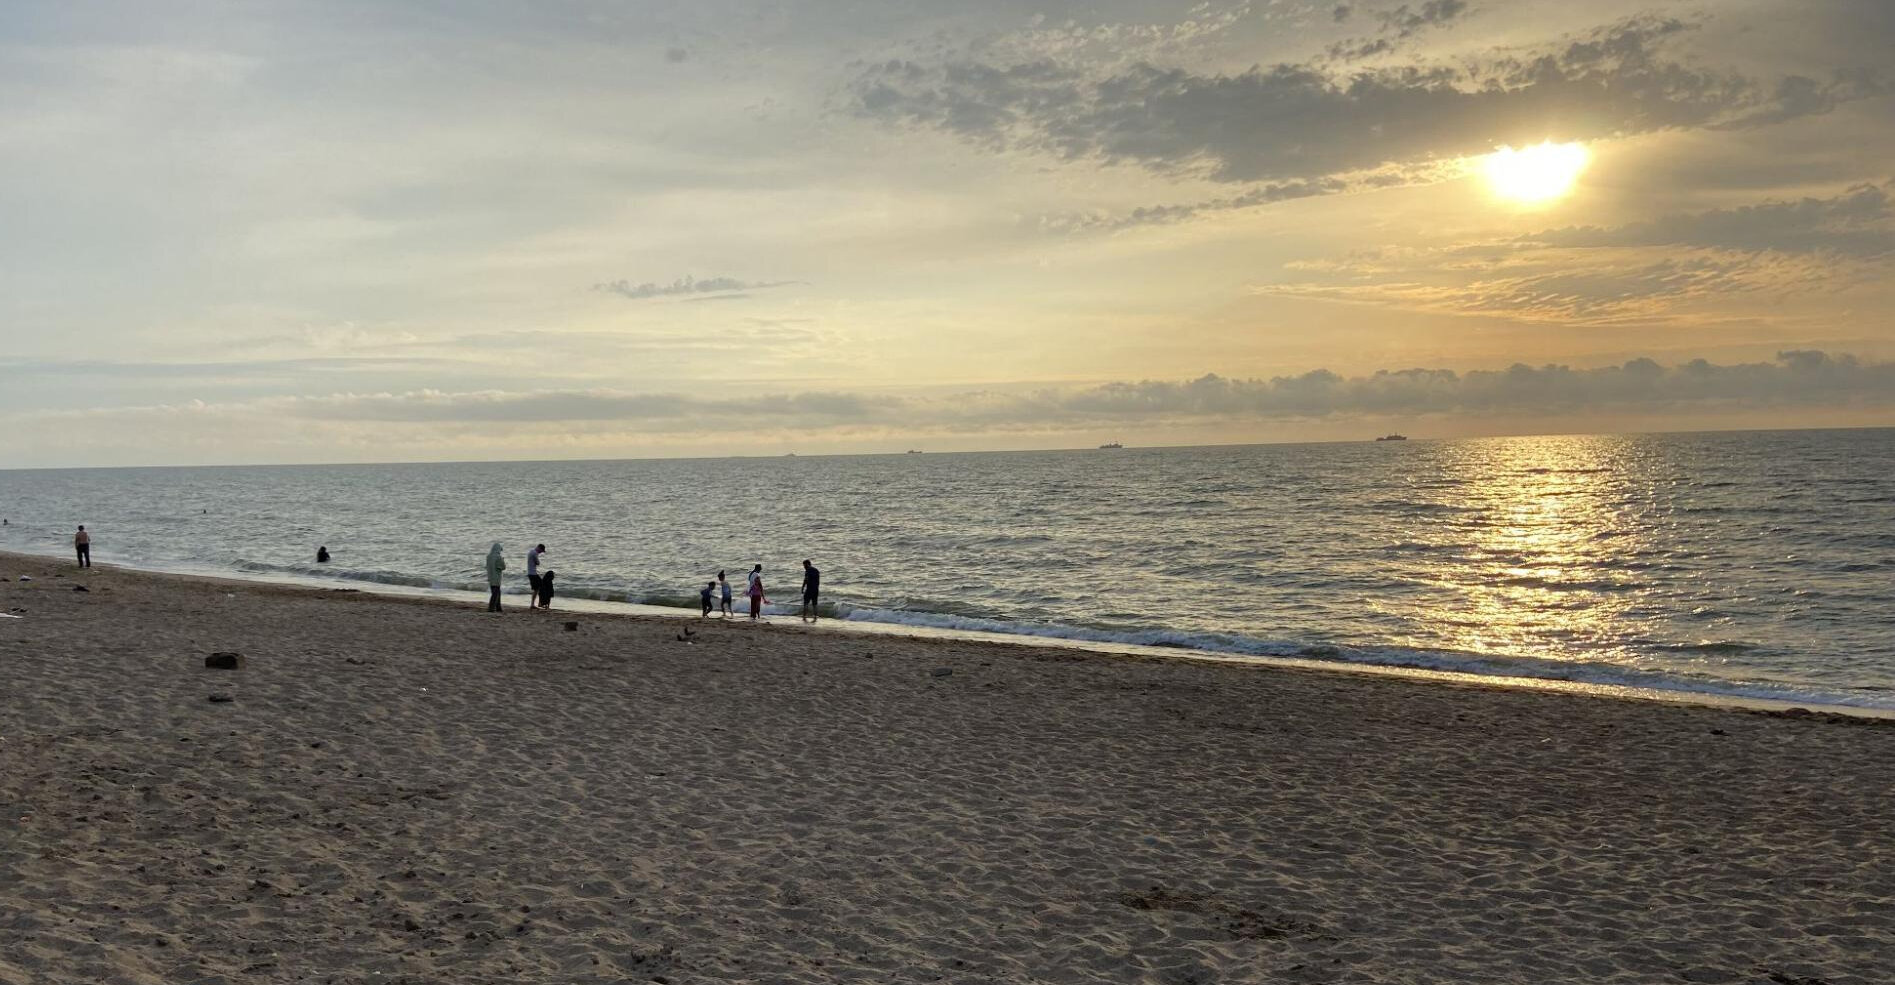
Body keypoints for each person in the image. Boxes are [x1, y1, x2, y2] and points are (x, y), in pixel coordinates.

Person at [484, 542, 506, 612]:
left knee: (496, 592)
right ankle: (491, 608)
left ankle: (498, 607)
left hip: (490, 577)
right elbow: (503, 567)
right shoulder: (498, 557)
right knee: (495, 593)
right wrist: (503, 560)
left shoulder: (488, 557)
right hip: (496, 577)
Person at [526, 544, 547, 610]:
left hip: (531, 573)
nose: (541, 552)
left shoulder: (531, 551)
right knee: (540, 587)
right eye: (541, 550)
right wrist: (537, 561)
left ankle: (534, 604)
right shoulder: (535, 553)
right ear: (539, 548)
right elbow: (538, 563)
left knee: (537, 589)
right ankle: (537, 603)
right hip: (533, 574)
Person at [799, 559, 821, 623]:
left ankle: (804, 616)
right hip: (816, 589)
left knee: (806, 603)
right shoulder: (816, 570)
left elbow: (806, 579)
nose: (804, 567)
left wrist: (803, 587)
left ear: (807, 564)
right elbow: (818, 581)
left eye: (804, 565)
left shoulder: (808, 570)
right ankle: (815, 616)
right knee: (815, 604)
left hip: (809, 589)